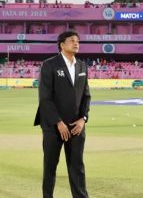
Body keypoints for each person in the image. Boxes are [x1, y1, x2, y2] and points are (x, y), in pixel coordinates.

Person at [34, 31, 91, 198]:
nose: (76, 43)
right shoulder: (49, 64)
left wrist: (84, 119)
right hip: (53, 126)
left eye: (77, 41)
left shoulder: (82, 66)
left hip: (76, 126)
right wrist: (58, 122)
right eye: (72, 40)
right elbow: (45, 98)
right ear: (62, 44)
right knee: (50, 167)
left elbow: (86, 96)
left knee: (77, 167)